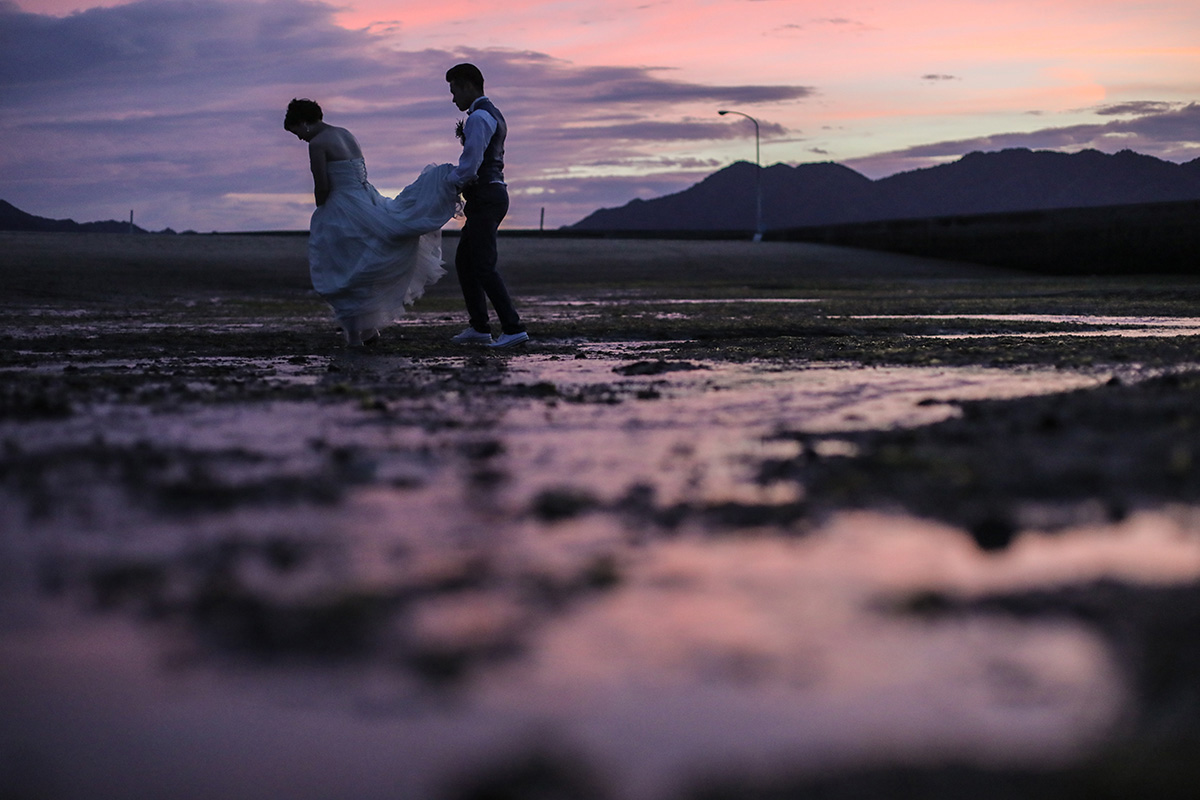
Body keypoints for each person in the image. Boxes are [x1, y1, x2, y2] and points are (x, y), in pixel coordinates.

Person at [284, 98, 459, 347]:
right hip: (366, 198)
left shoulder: (317, 143)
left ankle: (356, 335)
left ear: (303, 122)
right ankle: (364, 331)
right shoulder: (345, 133)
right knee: (360, 265)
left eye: (297, 131)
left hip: (343, 207)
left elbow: (322, 187)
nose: (299, 138)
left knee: (343, 269)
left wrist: (321, 205)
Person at [445, 64, 529, 348]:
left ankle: (512, 327)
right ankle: (480, 327)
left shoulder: (479, 117)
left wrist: (447, 182)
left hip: (487, 195)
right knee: (466, 261)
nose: (453, 98)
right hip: (490, 195)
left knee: (482, 264)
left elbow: (470, 164)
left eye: (454, 90)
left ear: (468, 86)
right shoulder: (493, 113)